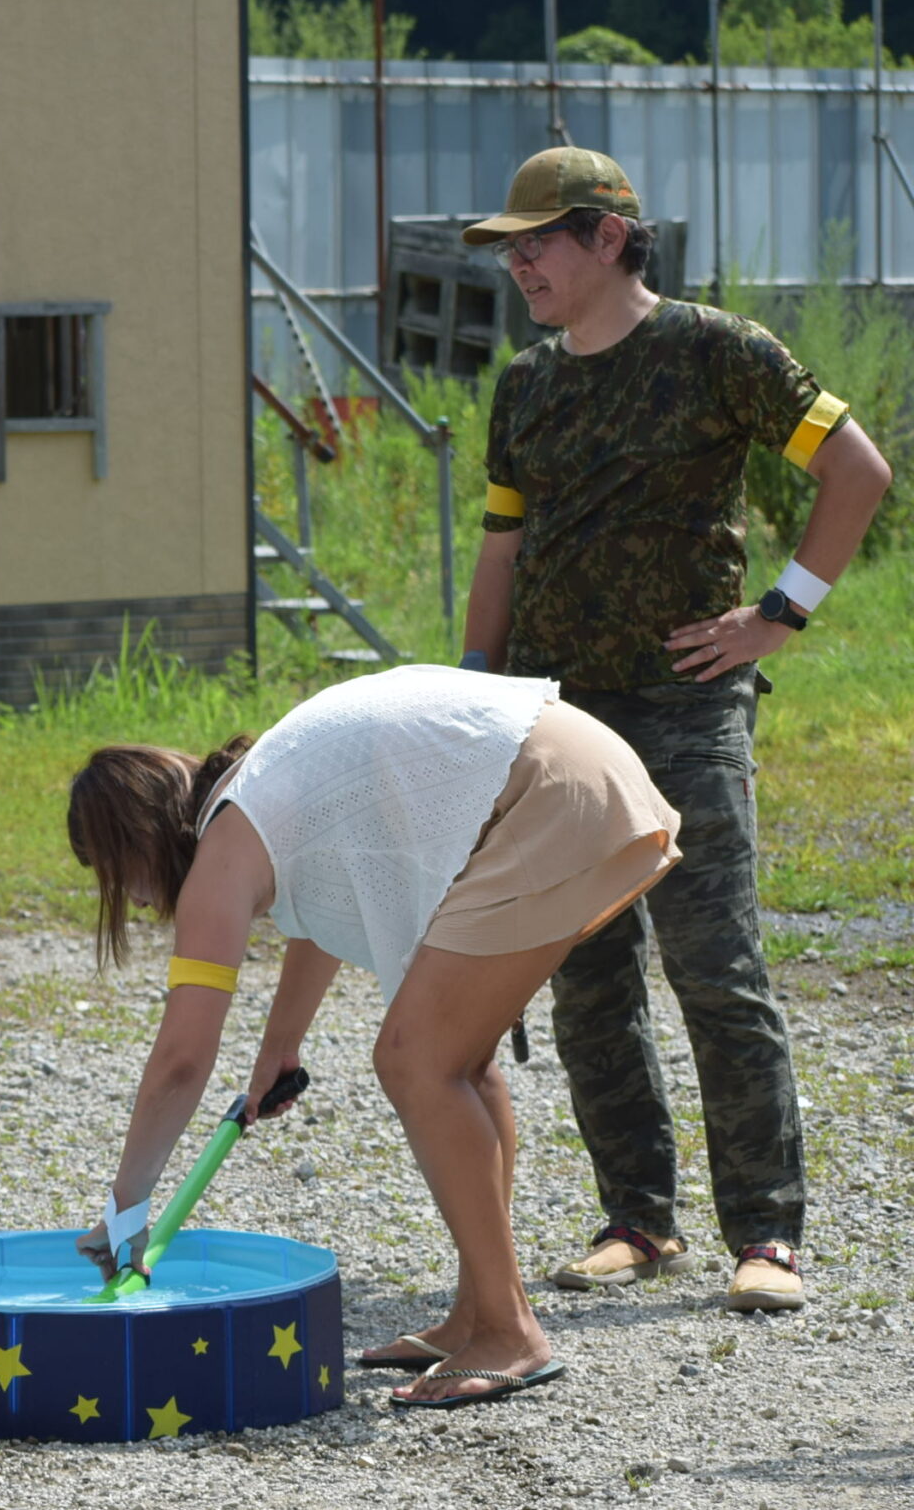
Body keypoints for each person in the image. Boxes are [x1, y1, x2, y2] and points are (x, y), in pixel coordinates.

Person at [459, 147, 894, 1312]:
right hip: (557, 719)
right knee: (586, 977)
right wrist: (476, 702)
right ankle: (638, 1221)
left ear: (608, 238)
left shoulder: (717, 352)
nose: (518, 266)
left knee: (714, 968)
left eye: (537, 243)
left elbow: (857, 471)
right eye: (509, 250)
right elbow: (502, 550)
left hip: (686, 707)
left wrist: (777, 614)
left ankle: (767, 1235)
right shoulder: (525, 386)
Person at [68, 664, 684, 1410]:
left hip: (547, 794)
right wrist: (280, 1045)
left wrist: (125, 1211)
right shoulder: (254, 802)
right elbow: (320, 906)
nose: (132, 900)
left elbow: (181, 1059)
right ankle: (478, 1311)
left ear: (133, 840)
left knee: (416, 1059)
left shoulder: (222, 852)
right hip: (569, 769)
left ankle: (509, 1329)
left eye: (109, 872)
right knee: (460, 1060)